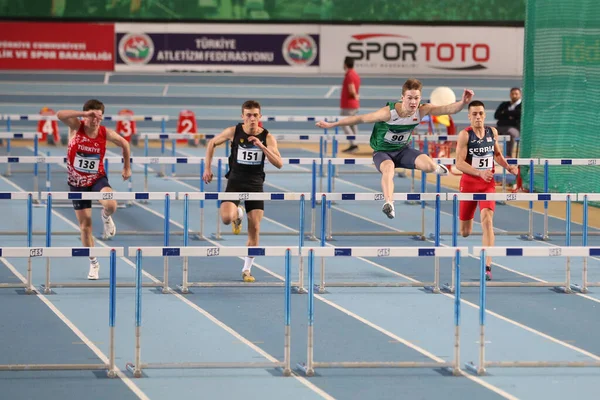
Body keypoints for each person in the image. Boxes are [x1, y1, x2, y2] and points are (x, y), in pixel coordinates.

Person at [316, 78, 474, 219]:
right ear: (402, 97)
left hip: (403, 151)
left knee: (429, 166)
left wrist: (463, 103)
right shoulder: (388, 113)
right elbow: (360, 118)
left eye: (416, 98)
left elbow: (447, 109)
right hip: (382, 152)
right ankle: (389, 204)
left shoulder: (422, 110)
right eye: (410, 98)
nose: (413, 102)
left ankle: (434, 167)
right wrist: (333, 124)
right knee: (389, 169)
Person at [202, 100, 283, 283]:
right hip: (235, 183)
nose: (252, 118)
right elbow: (211, 144)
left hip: (255, 186)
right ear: (243, 116)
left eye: (255, 115)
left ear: (260, 117)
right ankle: (238, 213)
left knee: (254, 228)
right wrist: (207, 168)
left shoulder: (268, 137)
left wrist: (261, 147)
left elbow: (279, 163)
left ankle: (247, 269)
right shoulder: (233, 131)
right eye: (248, 115)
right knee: (225, 219)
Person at [57, 100, 132, 280]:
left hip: (97, 179)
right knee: (85, 227)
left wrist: (126, 167)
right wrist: (83, 115)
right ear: (86, 115)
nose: (95, 120)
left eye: (99, 116)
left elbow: (125, 144)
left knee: (111, 204)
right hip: (77, 183)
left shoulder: (105, 132)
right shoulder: (76, 126)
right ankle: (93, 263)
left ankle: (106, 216)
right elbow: (60, 114)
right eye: (92, 116)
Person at [455, 100, 518, 281]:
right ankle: (470, 222)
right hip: (469, 184)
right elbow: (459, 163)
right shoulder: (465, 135)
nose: (478, 117)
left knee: (488, 220)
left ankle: (487, 266)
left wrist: (508, 167)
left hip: (487, 184)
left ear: (484, 115)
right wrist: (478, 173)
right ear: (469, 116)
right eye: (474, 114)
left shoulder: (492, 132)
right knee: (465, 232)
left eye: (480, 113)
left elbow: (497, 154)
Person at [339, 56, 361, 153]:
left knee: (344, 123)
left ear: (345, 64)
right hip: (353, 104)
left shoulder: (349, 75)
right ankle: (354, 143)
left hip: (349, 104)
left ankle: (353, 144)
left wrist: (354, 95)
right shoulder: (355, 74)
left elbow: (351, 89)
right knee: (352, 124)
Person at [494, 87, 521, 158]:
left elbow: (519, 115)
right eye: (512, 94)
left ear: (520, 95)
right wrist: (511, 116)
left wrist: (505, 113)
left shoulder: (522, 106)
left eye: (516, 94)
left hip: (515, 129)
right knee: (489, 131)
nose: (514, 95)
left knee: (510, 133)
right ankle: (491, 154)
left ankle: (508, 155)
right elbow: (496, 115)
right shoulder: (504, 104)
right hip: (501, 127)